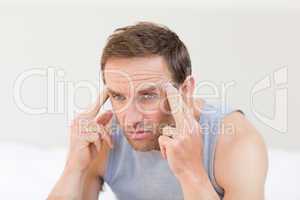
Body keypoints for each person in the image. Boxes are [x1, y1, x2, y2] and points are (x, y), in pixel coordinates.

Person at [48, 22, 268, 200]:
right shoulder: (103, 138)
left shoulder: (237, 142)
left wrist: (192, 172)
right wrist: (72, 168)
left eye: (148, 96)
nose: (130, 119)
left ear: (185, 90)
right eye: (118, 96)